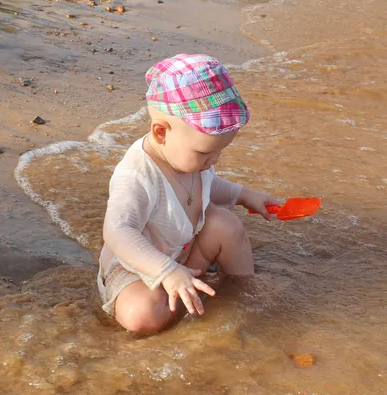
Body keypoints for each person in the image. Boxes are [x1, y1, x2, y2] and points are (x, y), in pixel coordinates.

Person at [97, 53, 278, 334]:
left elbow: (208, 185)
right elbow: (118, 231)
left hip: (183, 253)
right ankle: (198, 293)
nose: (215, 159)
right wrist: (165, 271)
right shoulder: (137, 175)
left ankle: (244, 290)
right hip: (137, 268)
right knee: (141, 316)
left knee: (226, 225)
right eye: (206, 152)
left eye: (220, 150)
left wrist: (244, 195)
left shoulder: (187, 156)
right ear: (161, 132)